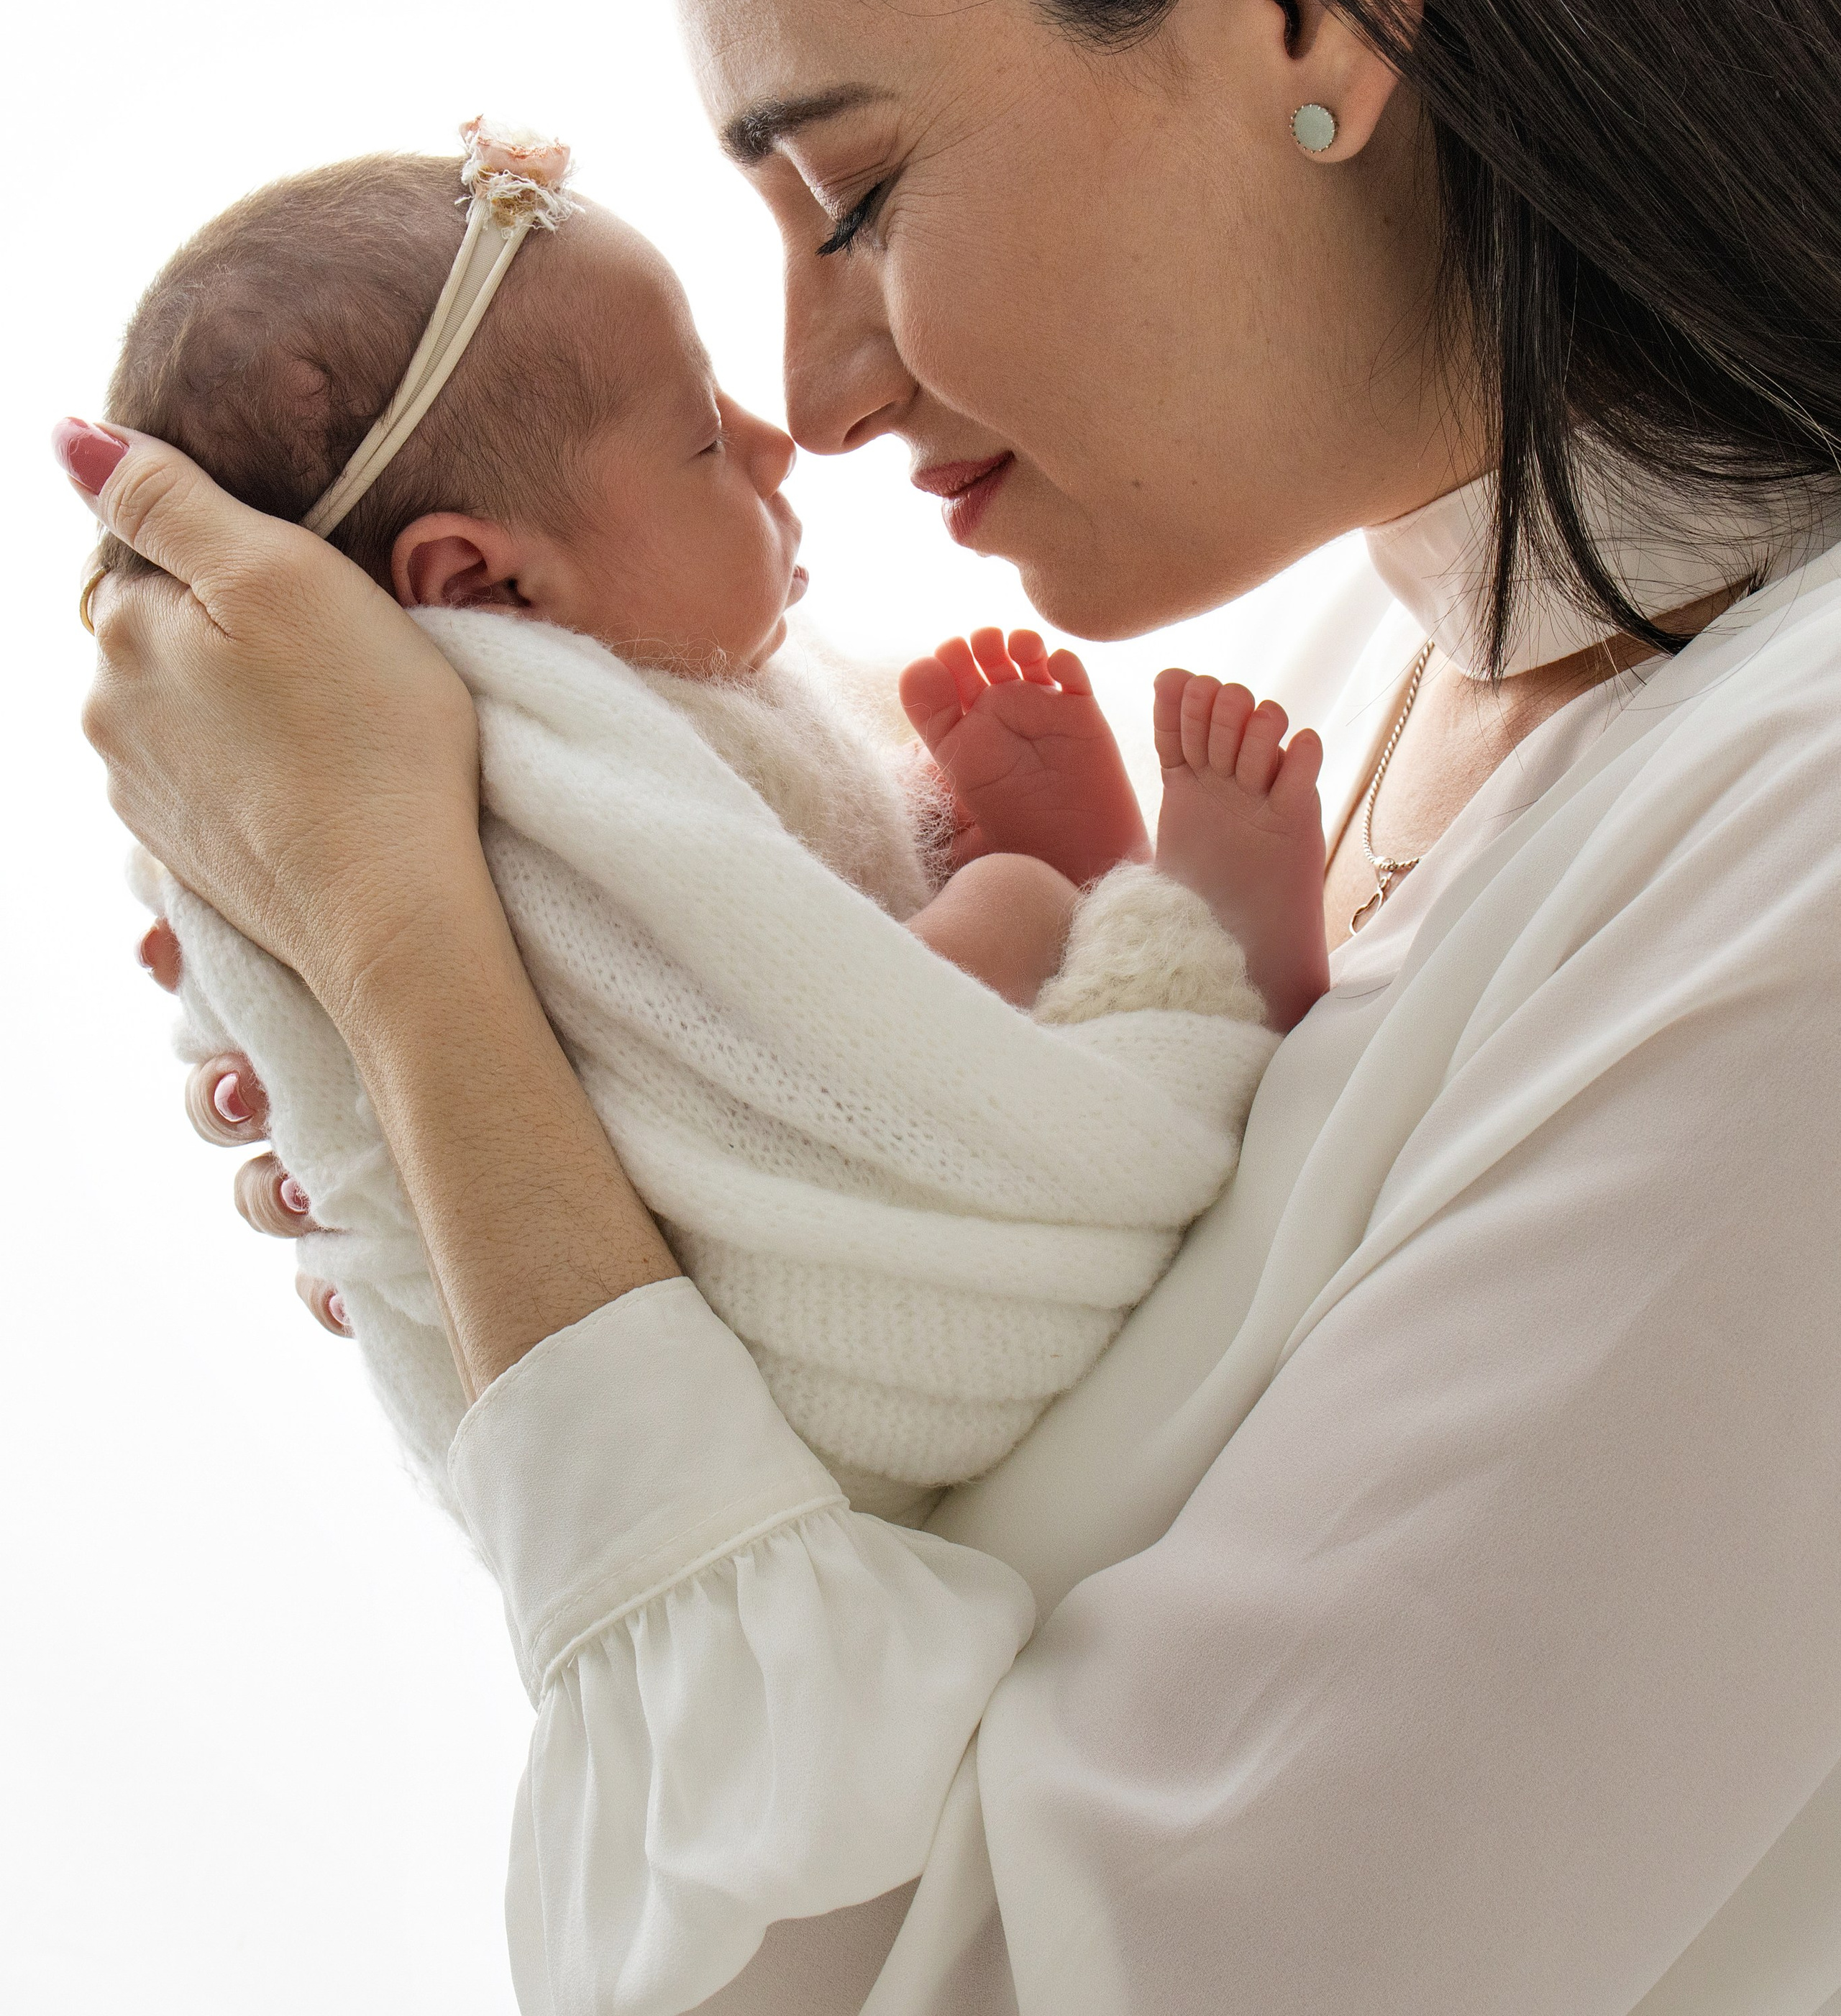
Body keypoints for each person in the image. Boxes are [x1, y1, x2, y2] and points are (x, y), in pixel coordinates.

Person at [66, 0, 1841, 2016]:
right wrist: (559, 1136)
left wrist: (428, 990)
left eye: (859, 190)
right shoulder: (1374, 660)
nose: (808, 388)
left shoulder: (1792, 870)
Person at [101, 122, 1294, 1518]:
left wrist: (921, 835)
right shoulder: (528, 774)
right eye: (704, 437)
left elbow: (745, 947)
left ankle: (1078, 906)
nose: (778, 440)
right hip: (820, 1344)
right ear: (484, 586)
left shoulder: (549, 725)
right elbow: (770, 1042)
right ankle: (1190, 954)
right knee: (1021, 903)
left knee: (965, 876)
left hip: (642, 1400)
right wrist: (1007, 886)